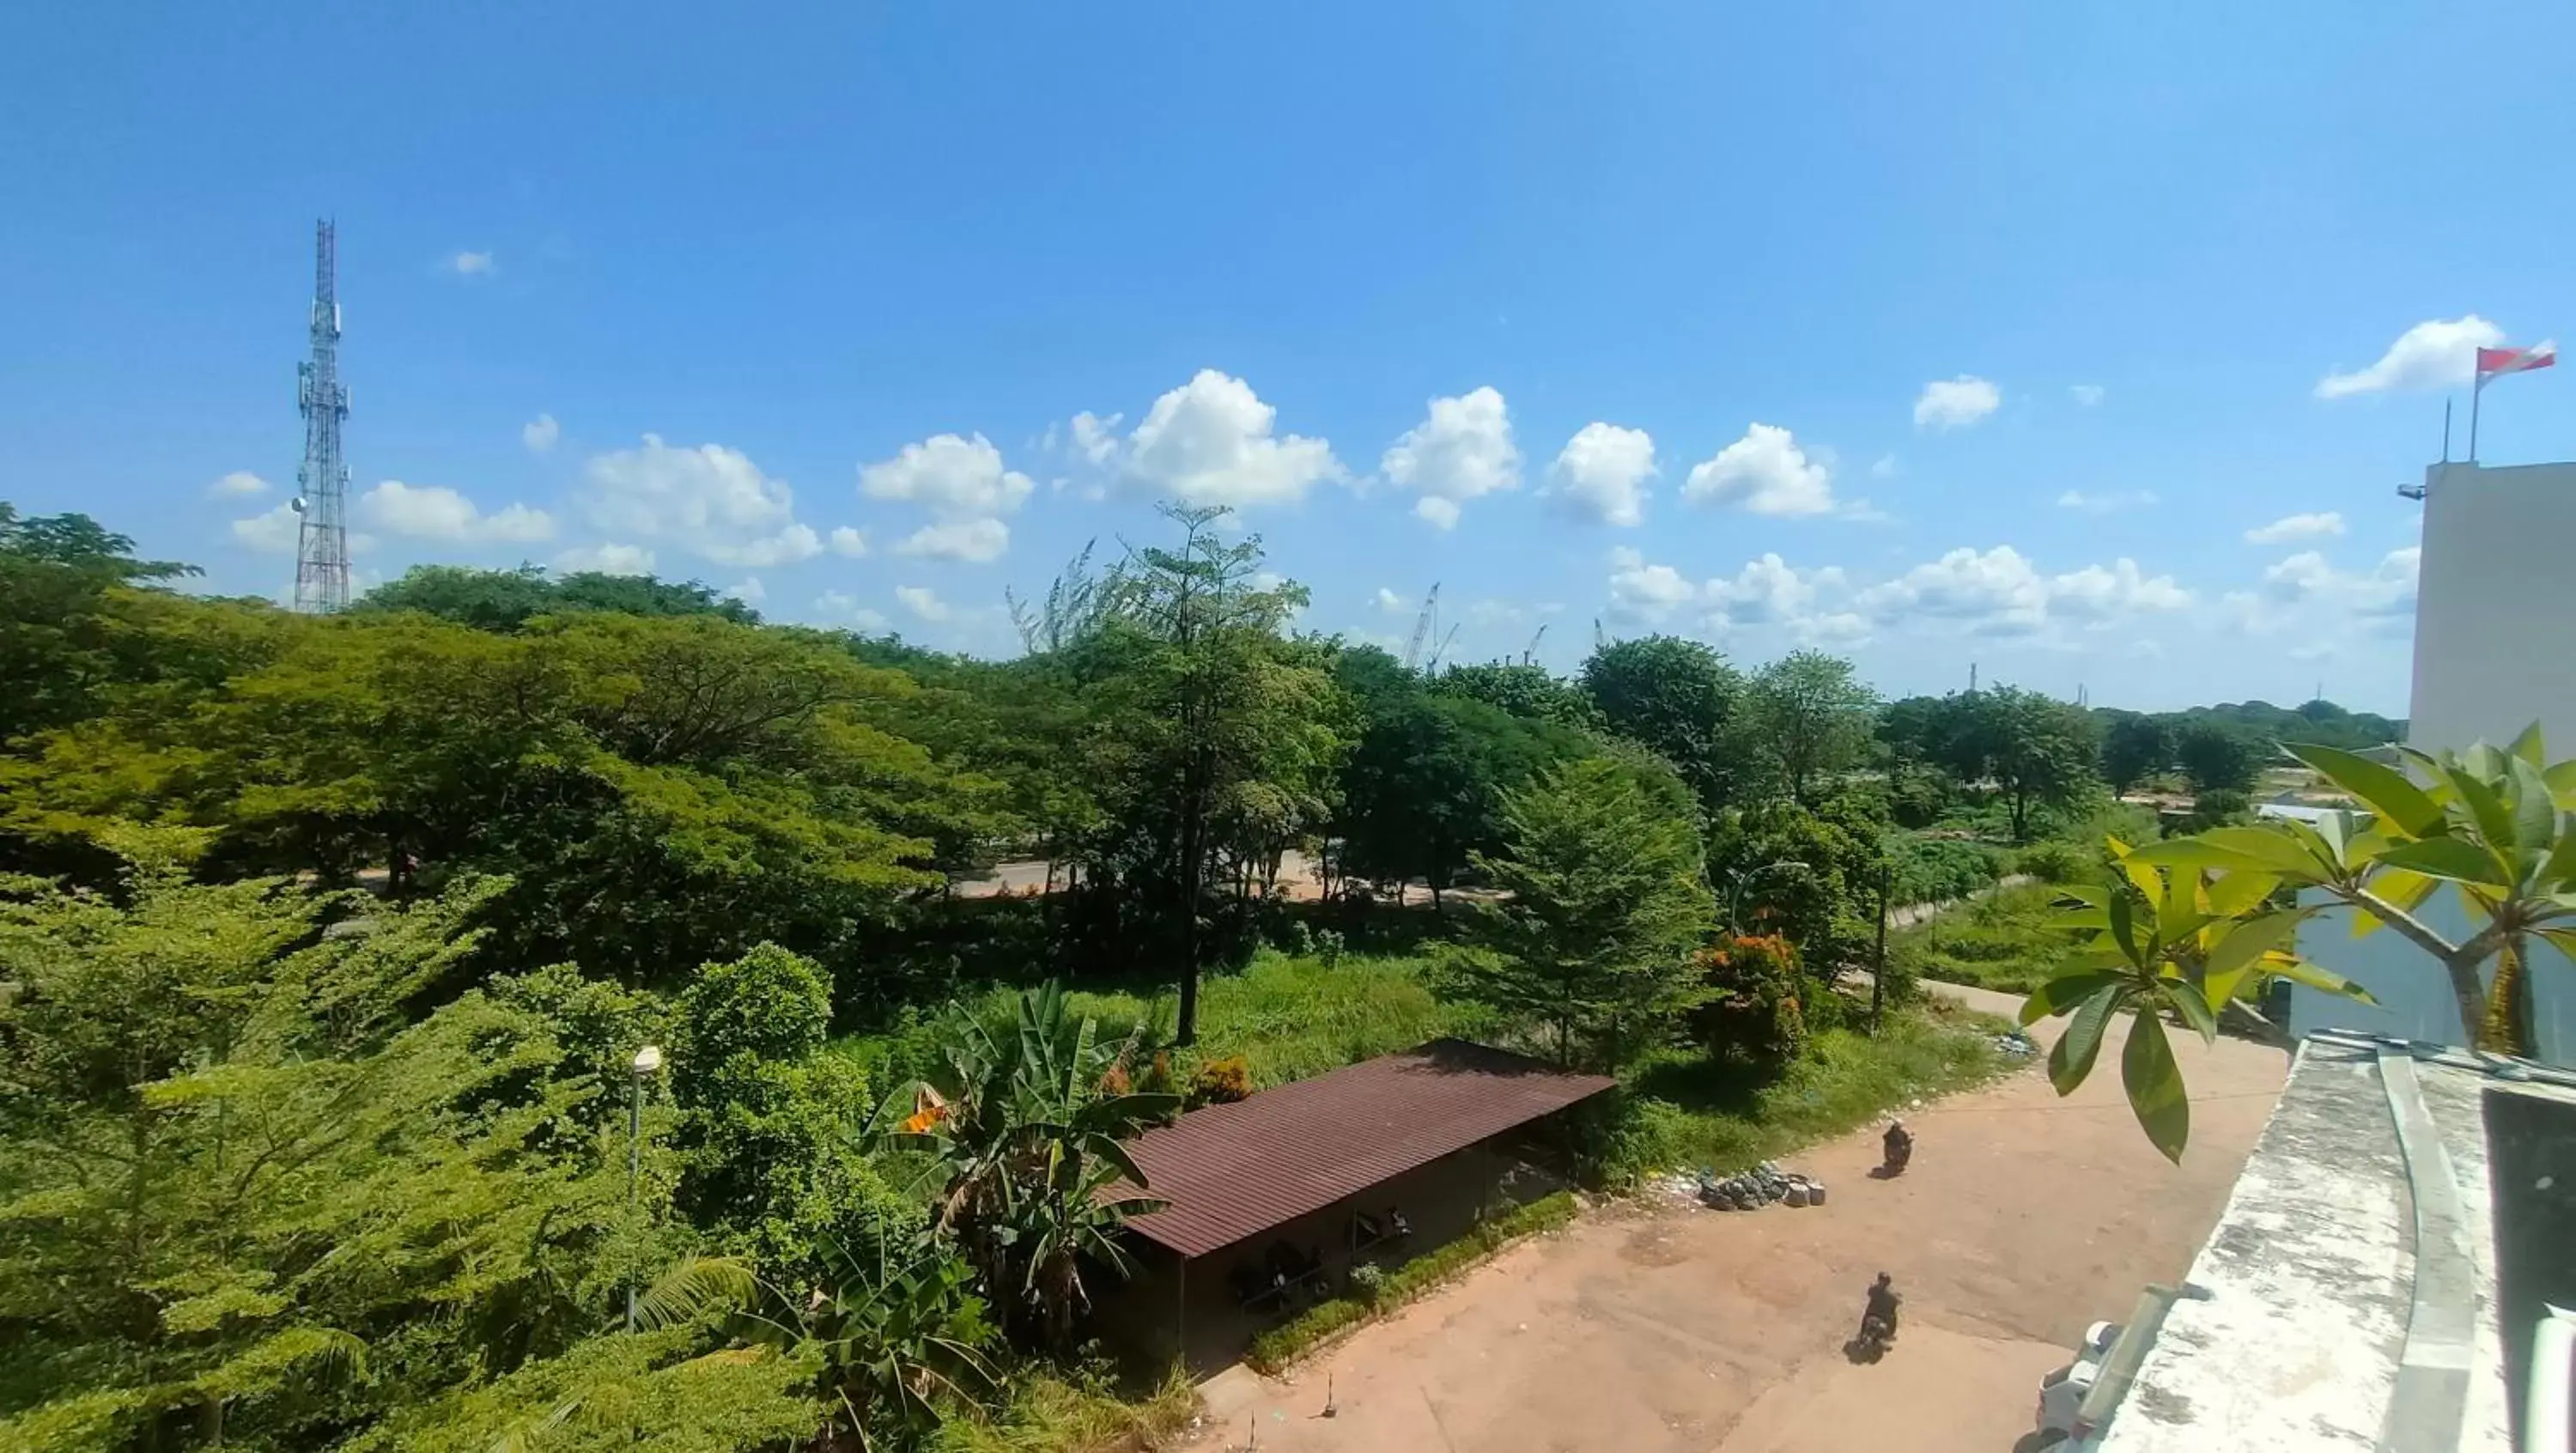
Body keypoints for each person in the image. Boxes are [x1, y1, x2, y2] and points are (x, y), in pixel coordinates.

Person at [1863, 1273, 1902, 1344]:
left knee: (1866, 1316)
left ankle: (1862, 1333)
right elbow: (1898, 1301)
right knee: (1893, 1318)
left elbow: (1869, 1293)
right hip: (1884, 1316)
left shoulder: (1874, 1289)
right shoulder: (1891, 1294)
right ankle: (1890, 1335)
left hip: (1872, 1313)